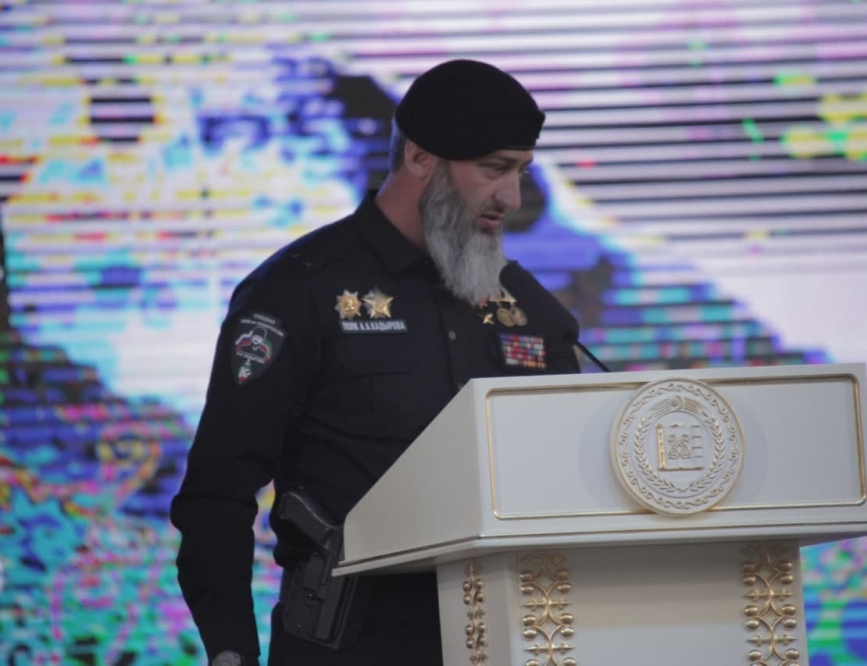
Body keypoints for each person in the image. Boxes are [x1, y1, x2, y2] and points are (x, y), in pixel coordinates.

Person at [169, 59, 582, 666]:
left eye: (521, 171)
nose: (512, 197)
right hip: (348, 641)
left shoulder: (528, 307)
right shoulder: (300, 291)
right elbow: (218, 492)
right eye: (494, 169)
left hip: (509, 638)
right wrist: (231, 649)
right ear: (420, 157)